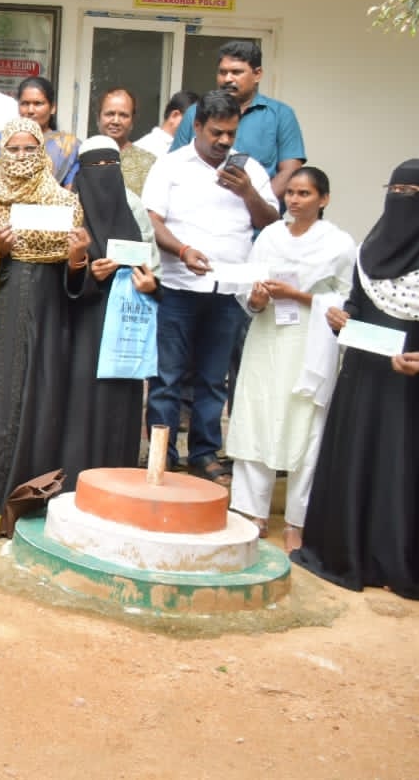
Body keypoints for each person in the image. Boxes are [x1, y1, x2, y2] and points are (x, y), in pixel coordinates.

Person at [293, 162, 419, 598]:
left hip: (410, 387)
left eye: (411, 192)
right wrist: (340, 320)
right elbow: (356, 309)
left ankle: (395, 559)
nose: (401, 200)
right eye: (395, 190)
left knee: (399, 468)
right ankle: (352, 554)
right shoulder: (369, 252)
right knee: (359, 462)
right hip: (364, 380)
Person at [142, 90, 278, 485]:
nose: (224, 141)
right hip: (177, 288)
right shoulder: (171, 166)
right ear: (198, 126)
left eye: (231, 133)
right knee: (167, 379)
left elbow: (270, 223)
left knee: (213, 380)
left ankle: (203, 454)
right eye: (216, 132)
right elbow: (151, 220)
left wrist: (247, 192)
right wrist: (182, 250)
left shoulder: (250, 170)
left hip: (229, 292)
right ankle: (162, 456)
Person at [0, 117, 83, 537]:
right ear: (1, 152)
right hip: (1, 304)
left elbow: (72, 267)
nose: (20, 156)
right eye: (12, 149)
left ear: (42, 153)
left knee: (39, 399)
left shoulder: (64, 202)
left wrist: (75, 258)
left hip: (49, 311)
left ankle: (26, 508)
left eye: (30, 148)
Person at [228, 167, 355, 552]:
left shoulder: (339, 244)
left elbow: (348, 301)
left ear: (324, 199)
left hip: (310, 339)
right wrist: (256, 299)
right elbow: (247, 288)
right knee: (257, 413)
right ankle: (253, 511)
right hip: (267, 334)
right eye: (291, 193)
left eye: (304, 194)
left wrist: (298, 296)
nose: (295, 200)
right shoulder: (269, 235)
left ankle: (297, 520)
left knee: (305, 421)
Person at [58, 137, 161, 486]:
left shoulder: (133, 209)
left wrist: (150, 285)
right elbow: (56, 277)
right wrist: (87, 272)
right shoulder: (69, 208)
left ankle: (118, 485)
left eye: (110, 165)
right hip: (82, 329)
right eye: (94, 166)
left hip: (125, 329)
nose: (103, 173)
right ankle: (74, 485)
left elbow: (153, 268)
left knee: (119, 411)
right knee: (79, 407)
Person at [170, 41, 305, 199]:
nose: (228, 79)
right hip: (198, 209)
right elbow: (174, 164)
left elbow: (290, 171)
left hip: (259, 211)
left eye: (236, 72)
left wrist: (255, 204)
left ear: (257, 74)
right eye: (222, 72)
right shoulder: (195, 112)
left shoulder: (280, 115)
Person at [14, 76, 80, 188]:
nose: (30, 110)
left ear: (53, 108)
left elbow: (71, 188)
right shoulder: (3, 139)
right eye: (25, 103)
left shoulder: (68, 144)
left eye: (38, 104)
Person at [96, 88, 157, 196]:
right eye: (110, 114)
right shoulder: (81, 159)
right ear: (98, 117)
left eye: (123, 115)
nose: (116, 121)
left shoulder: (148, 164)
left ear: (133, 120)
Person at [135, 89, 198, 155]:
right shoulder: (143, 148)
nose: (197, 127)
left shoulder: (190, 148)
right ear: (175, 115)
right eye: (192, 120)